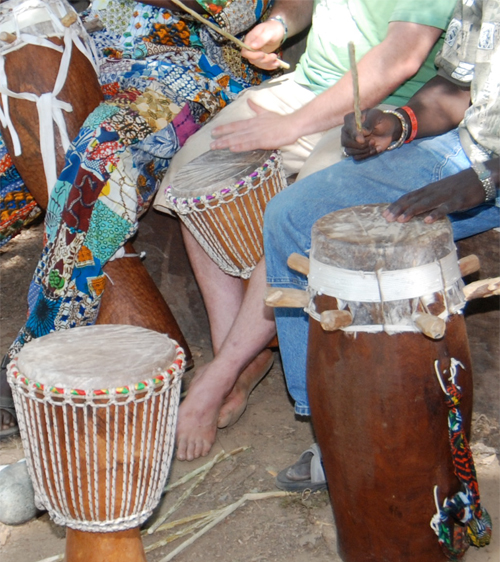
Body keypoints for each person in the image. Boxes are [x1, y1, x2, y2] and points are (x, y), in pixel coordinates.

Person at [172, 0, 500, 465]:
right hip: (466, 145)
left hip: (488, 169)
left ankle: (307, 420)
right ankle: (327, 422)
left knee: (325, 227)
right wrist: (401, 125)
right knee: (293, 215)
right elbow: (455, 88)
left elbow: (403, 58)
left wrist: (485, 179)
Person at [0, 0, 274, 437]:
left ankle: (42, 332)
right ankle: (121, 324)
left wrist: (278, 24)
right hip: (87, 66)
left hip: (187, 73)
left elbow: (232, 13)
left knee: (97, 148)